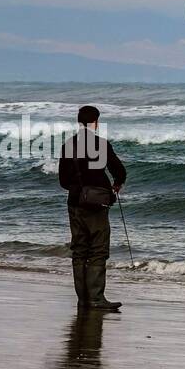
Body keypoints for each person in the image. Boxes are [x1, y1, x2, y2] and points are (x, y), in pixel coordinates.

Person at [58, 105, 127, 310]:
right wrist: (115, 185)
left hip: (75, 203)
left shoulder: (68, 145)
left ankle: (83, 300)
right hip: (96, 204)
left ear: (80, 122)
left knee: (79, 250)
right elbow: (119, 171)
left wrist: (79, 189)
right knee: (98, 249)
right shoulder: (102, 144)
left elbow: (63, 180)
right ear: (95, 122)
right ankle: (96, 299)